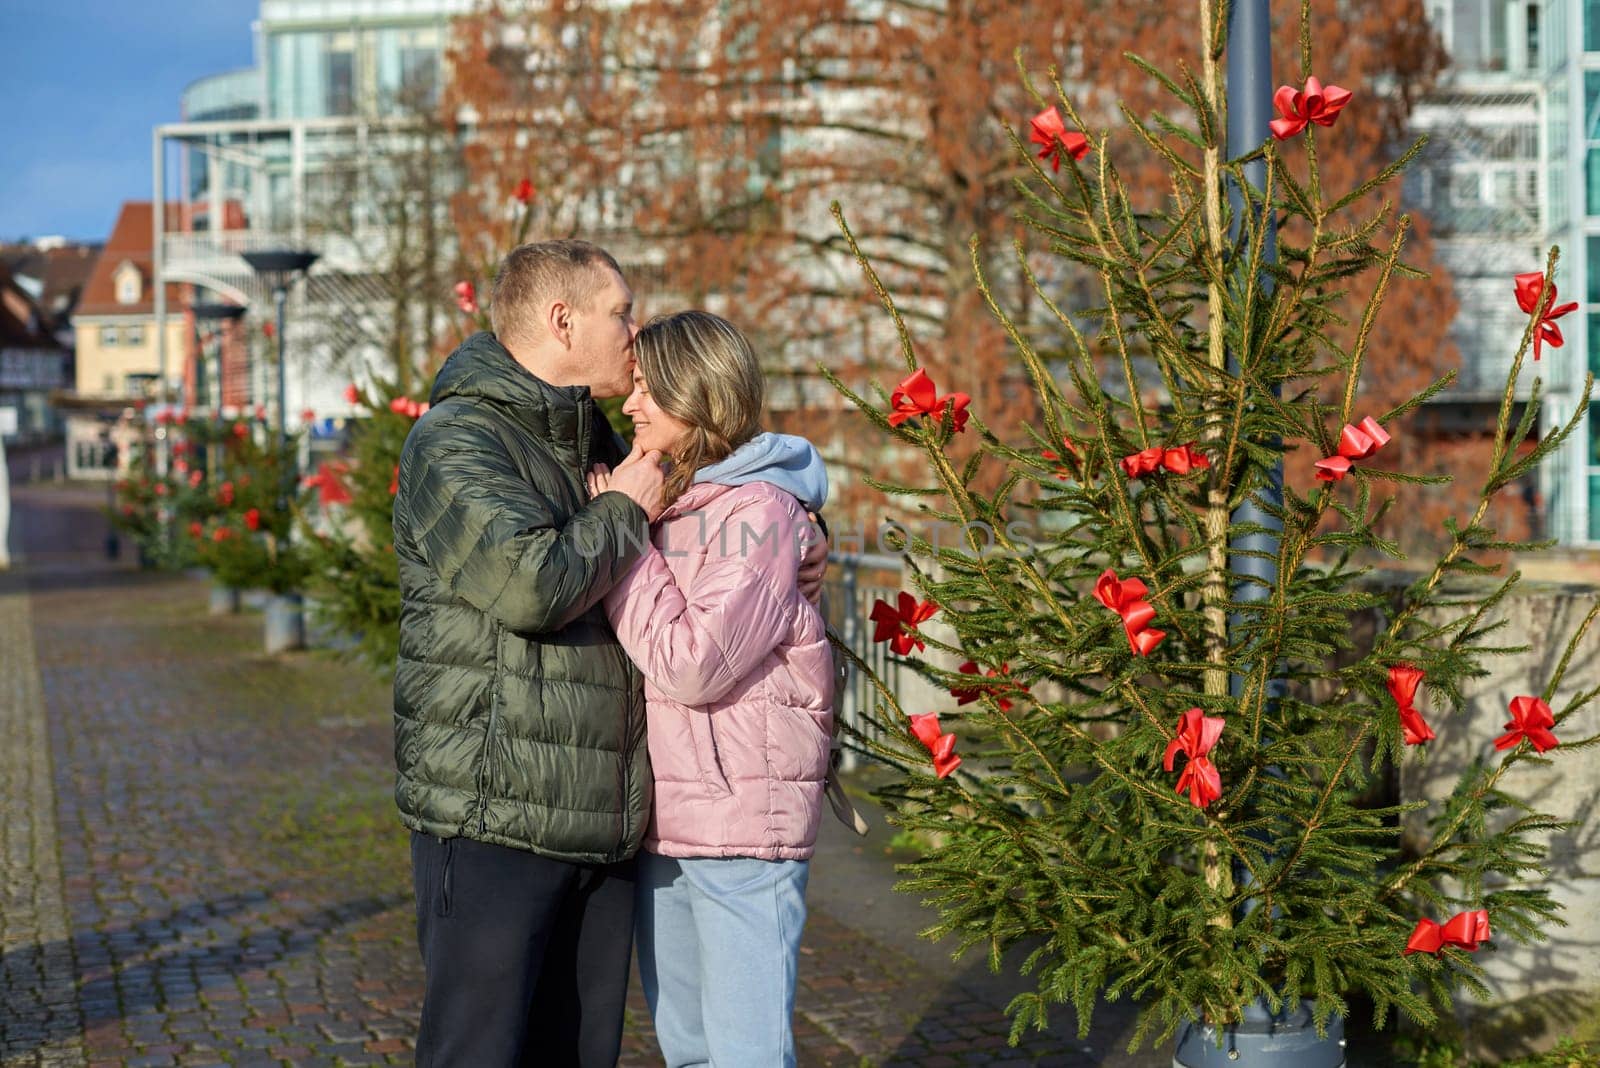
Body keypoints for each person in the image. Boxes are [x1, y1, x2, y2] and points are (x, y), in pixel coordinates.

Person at [390, 239, 669, 1068]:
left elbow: (699, 535)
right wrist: (620, 512)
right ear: (562, 319)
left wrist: (798, 533)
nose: (636, 330)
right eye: (621, 311)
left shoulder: (593, 440)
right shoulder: (456, 440)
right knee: (479, 1052)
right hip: (493, 822)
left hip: (600, 818)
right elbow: (526, 585)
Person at [587, 310, 834, 1068]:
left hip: (741, 826)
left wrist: (621, 536)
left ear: (698, 396)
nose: (629, 406)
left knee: (746, 1055)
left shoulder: (758, 512)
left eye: (647, 391)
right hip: (670, 820)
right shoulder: (677, 498)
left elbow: (694, 663)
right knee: (689, 1050)